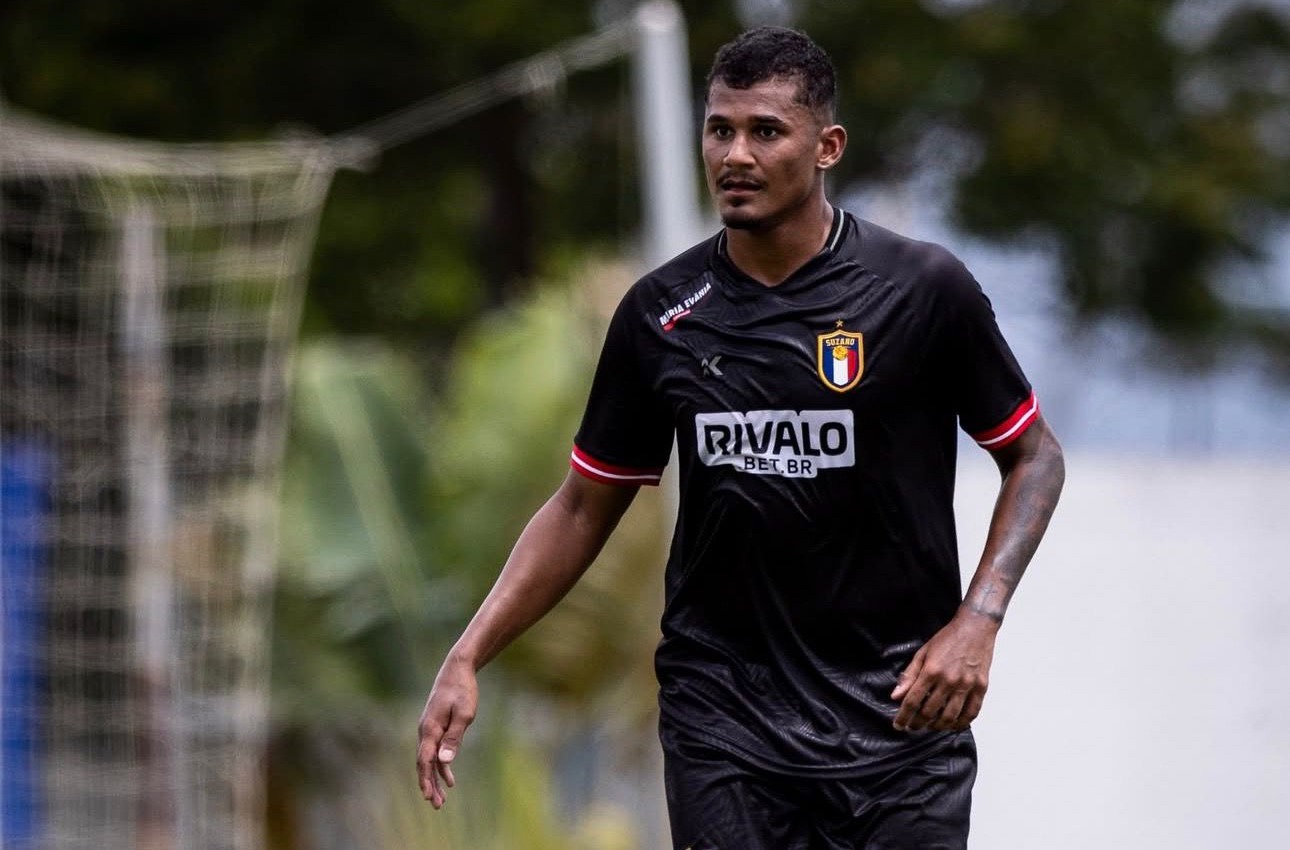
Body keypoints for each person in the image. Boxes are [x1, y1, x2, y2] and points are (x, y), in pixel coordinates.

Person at [417, 25, 1065, 850]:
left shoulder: (921, 290)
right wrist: (469, 653)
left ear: (827, 146)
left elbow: (1034, 456)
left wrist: (979, 618)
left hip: (902, 719)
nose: (736, 155)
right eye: (719, 129)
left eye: (766, 131)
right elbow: (582, 507)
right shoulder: (661, 313)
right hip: (725, 723)